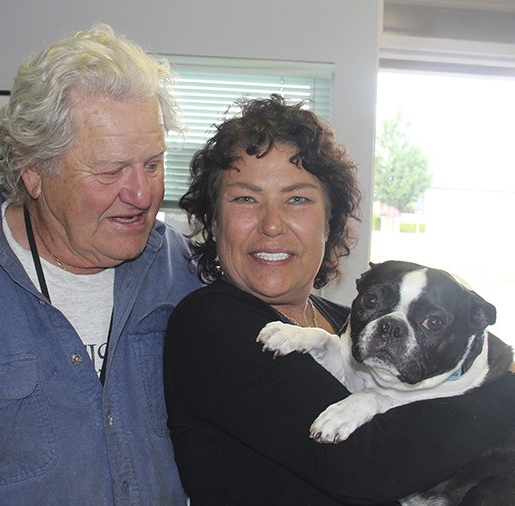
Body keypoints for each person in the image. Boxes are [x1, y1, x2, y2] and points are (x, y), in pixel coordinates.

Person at [163, 94, 515, 505]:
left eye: (297, 199)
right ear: (212, 219)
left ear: (330, 220)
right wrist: (503, 385)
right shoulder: (211, 324)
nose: (272, 224)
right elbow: (367, 466)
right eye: (245, 198)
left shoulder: (352, 321)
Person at [0, 24, 202, 504]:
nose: (142, 194)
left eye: (152, 164)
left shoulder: (183, 270)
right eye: (110, 171)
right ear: (34, 170)